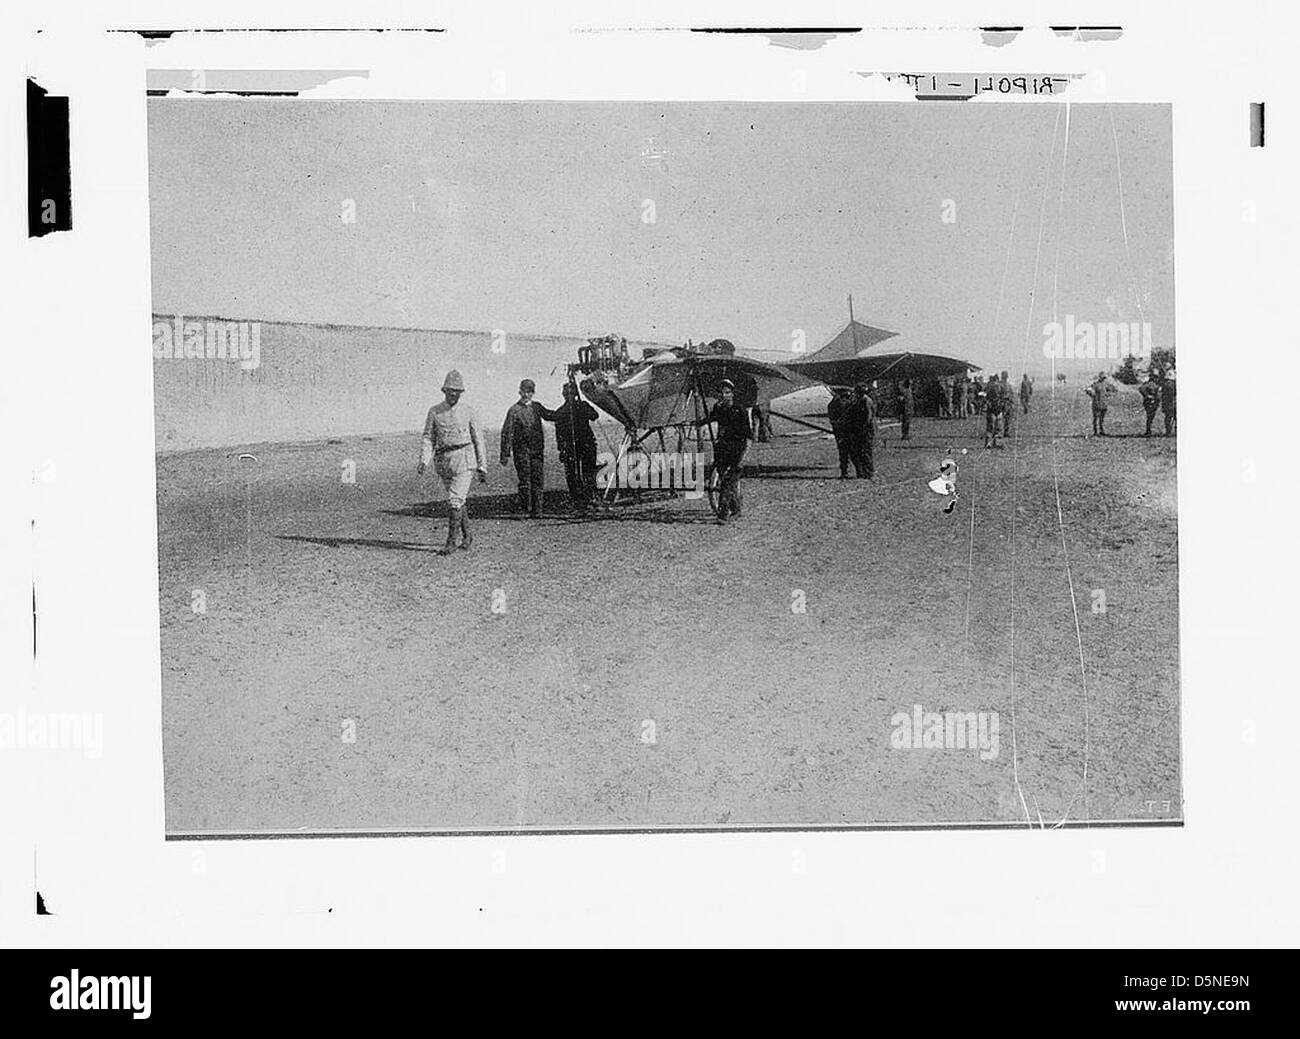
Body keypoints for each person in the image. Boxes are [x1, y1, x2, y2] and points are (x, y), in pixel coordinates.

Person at [417, 369, 487, 552]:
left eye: (457, 391)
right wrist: (424, 460)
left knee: (455, 500)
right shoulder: (435, 412)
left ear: (461, 392)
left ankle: (450, 542)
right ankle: (468, 535)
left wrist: (482, 465)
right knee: (458, 499)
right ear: (444, 391)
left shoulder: (468, 411)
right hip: (444, 461)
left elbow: (478, 438)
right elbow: (428, 437)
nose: (454, 394)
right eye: (450, 391)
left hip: (465, 459)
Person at [540, 381, 600, 512]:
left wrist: (561, 450)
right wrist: (581, 403)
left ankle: (577, 500)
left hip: (571, 447)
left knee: (573, 475)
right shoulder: (582, 406)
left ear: (564, 395)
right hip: (586, 445)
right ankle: (589, 498)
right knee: (588, 473)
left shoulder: (561, 411)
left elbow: (558, 432)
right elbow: (595, 415)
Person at [500, 378, 548, 517]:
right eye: (524, 391)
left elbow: (550, 415)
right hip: (521, 452)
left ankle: (537, 510)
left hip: (537, 451)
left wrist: (567, 410)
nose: (527, 394)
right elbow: (507, 432)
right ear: (519, 391)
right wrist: (505, 454)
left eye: (530, 391)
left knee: (538, 480)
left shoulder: (537, 407)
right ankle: (524, 509)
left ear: (533, 392)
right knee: (525, 480)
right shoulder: (514, 410)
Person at [709, 378, 753, 522]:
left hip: (736, 450)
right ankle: (736, 508)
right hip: (722, 449)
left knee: (727, 482)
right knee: (727, 481)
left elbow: (748, 436)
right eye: (721, 393)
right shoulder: (718, 408)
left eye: (727, 393)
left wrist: (743, 456)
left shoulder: (739, 410)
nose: (724, 396)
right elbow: (711, 419)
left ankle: (723, 513)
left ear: (732, 393)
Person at [845, 382, 877, 478]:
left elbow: (868, 417)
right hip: (864, 430)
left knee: (865, 451)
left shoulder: (865, 401)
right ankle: (865, 472)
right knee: (862, 451)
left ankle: (869, 472)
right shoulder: (863, 400)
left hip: (865, 430)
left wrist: (862, 428)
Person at [826, 387, 854, 479]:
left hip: (839, 431)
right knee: (851, 451)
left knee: (843, 452)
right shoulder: (846, 403)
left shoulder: (832, 403)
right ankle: (852, 471)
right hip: (847, 431)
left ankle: (845, 471)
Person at [1085, 370, 1114, 436]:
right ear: (1099, 377)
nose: (1103, 379)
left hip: (1104, 403)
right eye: (1102, 377)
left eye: (1104, 377)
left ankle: (1101, 431)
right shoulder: (1095, 384)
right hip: (1096, 403)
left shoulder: (1106, 384)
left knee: (1102, 419)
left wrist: (1108, 394)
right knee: (1095, 418)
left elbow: (1113, 390)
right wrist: (1092, 395)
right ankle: (1095, 432)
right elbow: (1088, 390)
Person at [984, 373, 1006, 448]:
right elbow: (1004, 398)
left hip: (991, 409)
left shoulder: (989, 386)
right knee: (998, 428)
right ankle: (998, 443)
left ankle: (988, 443)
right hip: (999, 409)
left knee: (990, 427)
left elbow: (985, 398)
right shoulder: (1001, 387)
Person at [1139, 370, 1162, 436]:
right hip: (1149, 403)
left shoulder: (1157, 384)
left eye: (1156, 377)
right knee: (1150, 417)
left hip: (1155, 402)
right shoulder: (1148, 384)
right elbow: (1141, 389)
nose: (1156, 378)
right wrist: (1147, 396)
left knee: (1151, 417)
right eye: (1155, 377)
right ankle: (1148, 430)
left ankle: (1149, 430)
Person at [1161, 367, 1177, 436]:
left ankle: (1168, 431)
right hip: (1174, 403)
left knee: (1168, 418)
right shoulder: (1174, 384)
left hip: (1168, 404)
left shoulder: (1165, 384)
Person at [999, 371, 1015, 438]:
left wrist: (1012, 402)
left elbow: (1011, 394)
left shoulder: (1008, 385)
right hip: (1002, 402)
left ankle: (1006, 432)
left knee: (1008, 419)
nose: (1005, 377)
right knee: (1001, 419)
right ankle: (1000, 433)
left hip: (1008, 403)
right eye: (1004, 376)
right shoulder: (999, 384)